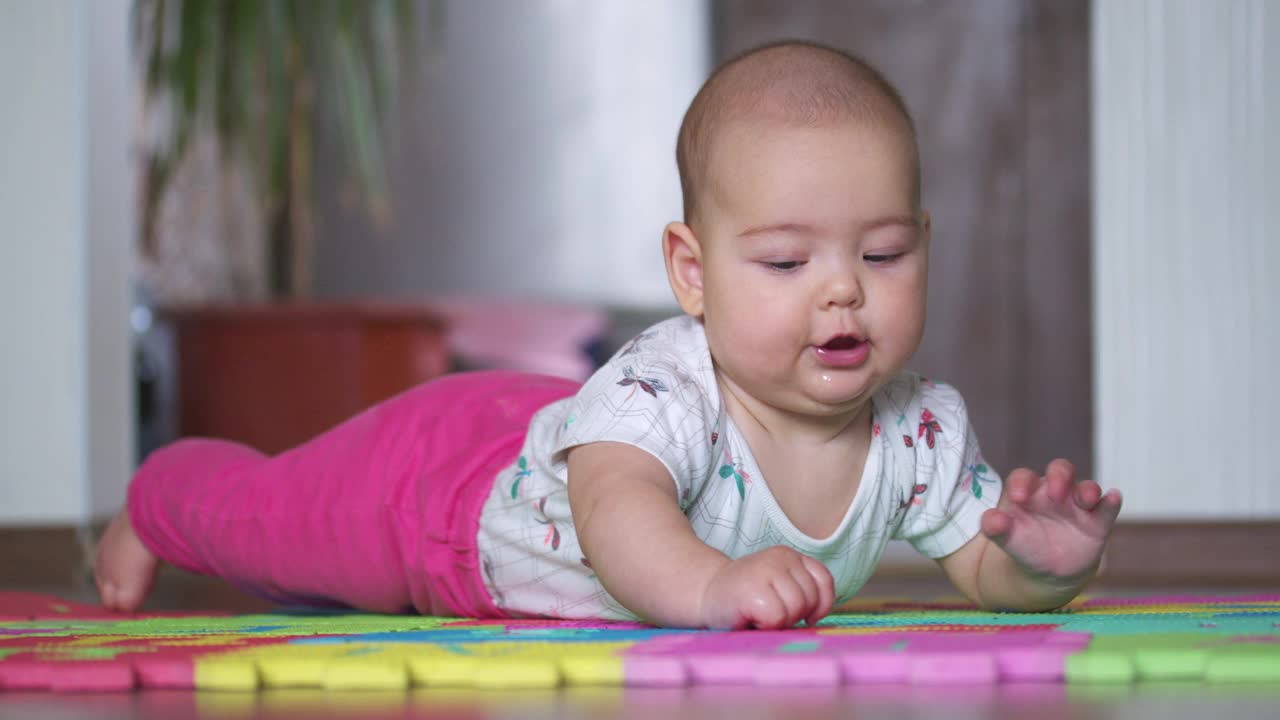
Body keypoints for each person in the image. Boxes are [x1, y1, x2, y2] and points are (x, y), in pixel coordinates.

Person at [96, 40, 1122, 630]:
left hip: (545, 433)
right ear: (692, 273)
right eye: (783, 263)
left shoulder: (919, 430)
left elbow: (981, 573)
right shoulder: (667, 386)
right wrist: (713, 585)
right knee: (278, 528)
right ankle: (163, 498)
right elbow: (617, 510)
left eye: (884, 255)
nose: (841, 295)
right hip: (446, 498)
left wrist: (1042, 563)